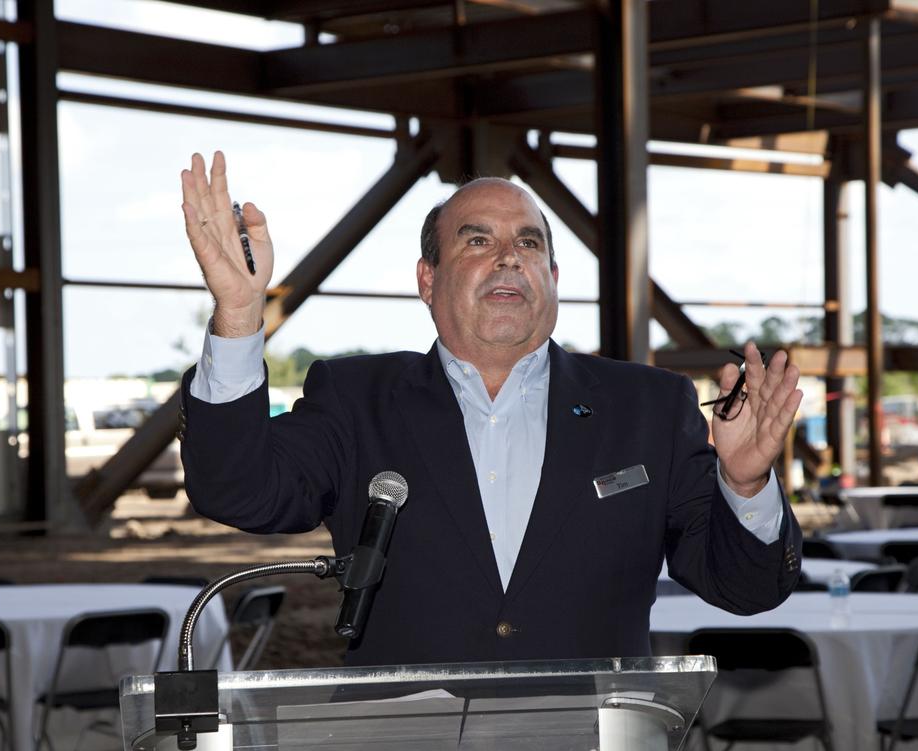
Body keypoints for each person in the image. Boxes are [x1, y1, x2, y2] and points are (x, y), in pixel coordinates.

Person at [177, 151, 804, 667]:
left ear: (553, 275)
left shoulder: (648, 407)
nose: (509, 257)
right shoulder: (356, 399)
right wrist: (238, 315)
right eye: (478, 240)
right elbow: (236, 490)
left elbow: (745, 589)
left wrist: (743, 484)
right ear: (428, 279)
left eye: (528, 244)